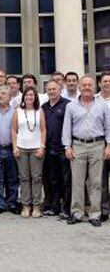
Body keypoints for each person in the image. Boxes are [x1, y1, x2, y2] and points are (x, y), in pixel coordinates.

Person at [63, 75, 110, 227]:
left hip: (97, 145)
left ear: (94, 86)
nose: (87, 88)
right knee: (77, 181)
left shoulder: (102, 106)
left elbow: (108, 127)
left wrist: (108, 145)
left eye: (89, 85)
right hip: (78, 145)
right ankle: (77, 213)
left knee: (96, 182)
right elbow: (66, 128)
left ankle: (95, 214)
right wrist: (67, 146)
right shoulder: (71, 106)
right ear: (79, 87)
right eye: (84, 85)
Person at [12, 87, 46, 218]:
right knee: (24, 177)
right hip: (21, 148)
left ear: (35, 97)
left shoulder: (40, 111)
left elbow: (43, 130)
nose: (29, 97)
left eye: (32, 95)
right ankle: (25, 205)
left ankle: (36, 206)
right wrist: (15, 147)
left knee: (37, 178)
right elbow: (14, 130)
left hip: (36, 148)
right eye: (27, 95)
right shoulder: (18, 112)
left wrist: (42, 146)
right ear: (23, 97)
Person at [41, 80, 71, 219]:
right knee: (52, 179)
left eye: (54, 89)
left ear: (60, 90)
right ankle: (54, 206)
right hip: (49, 148)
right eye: (49, 89)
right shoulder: (44, 107)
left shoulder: (67, 105)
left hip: (63, 148)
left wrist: (69, 146)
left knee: (65, 179)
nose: (51, 91)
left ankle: (66, 208)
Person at [0, 85, 20, 215]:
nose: (0, 96)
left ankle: (12, 203)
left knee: (13, 178)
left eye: (4, 94)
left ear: (9, 97)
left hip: (11, 148)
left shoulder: (15, 111)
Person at [96, 72, 110, 222]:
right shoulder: (94, 100)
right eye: (104, 81)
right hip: (100, 143)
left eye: (109, 81)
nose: (107, 83)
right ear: (99, 84)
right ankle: (104, 209)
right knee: (102, 179)